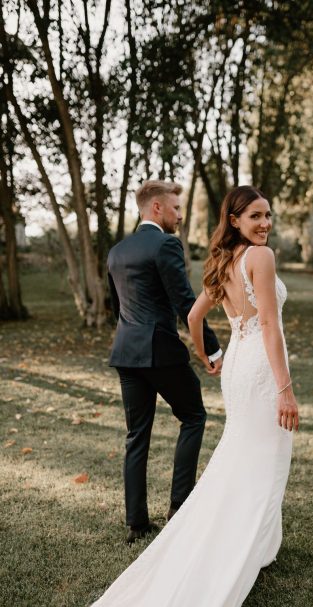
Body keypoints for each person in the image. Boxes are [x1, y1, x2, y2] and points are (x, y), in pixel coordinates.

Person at [93, 185, 299, 607]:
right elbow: (269, 327)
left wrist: (208, 356)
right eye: (255, 216)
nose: (264, 223)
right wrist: (285, 388)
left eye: (267, 215)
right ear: (236, 220)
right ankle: (245, 545)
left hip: (232, 366)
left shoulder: (223, 261)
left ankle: (251, 538)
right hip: (259, 367)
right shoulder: (260, 256)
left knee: (239, 452)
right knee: (265, 458)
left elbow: (193, 315)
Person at [107, 180, 222, 543]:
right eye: (175, 208)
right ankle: (179, 507)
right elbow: (186, 303)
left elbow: (117, 309)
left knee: (136, 436)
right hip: (160, 351)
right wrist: (213, 349)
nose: (180, 215)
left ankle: (136, 524)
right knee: (194, 416)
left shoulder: (117, 252)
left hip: (126, 352)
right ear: (156, 208)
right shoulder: (166, 245)